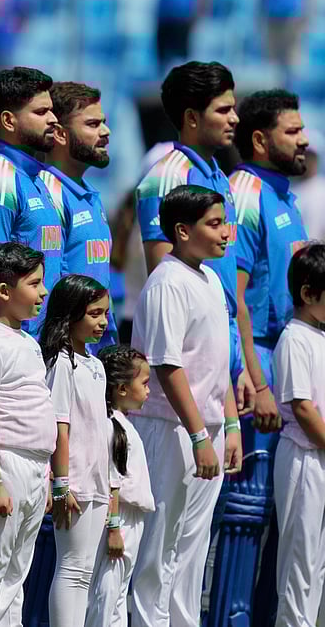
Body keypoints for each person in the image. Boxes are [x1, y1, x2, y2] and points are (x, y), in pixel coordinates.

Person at [129, 185, 243, 627]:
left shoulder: (210, 279)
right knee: (158, 548)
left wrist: (229, 426)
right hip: (170, 429)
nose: (226, 233)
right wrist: (198, 435)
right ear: (181, 231)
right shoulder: (167, 282)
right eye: (214, 224)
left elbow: (217, 363)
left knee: (192, 551)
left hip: (205, 431)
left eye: (224, 222)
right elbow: (167, 365)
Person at [226, 89, 311, 619]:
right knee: (245, 512)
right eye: (292, 131)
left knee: (283, 514)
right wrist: (255, 379)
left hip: (287, 362)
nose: (305, 140)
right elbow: (234, 298)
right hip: (258, 366)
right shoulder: (245, 193)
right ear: (260, 139)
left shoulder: (286, 198)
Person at [134, 61, 250, 414]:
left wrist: (241, 363)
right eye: (223, 110)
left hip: (224, 344)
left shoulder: (219, 177)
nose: (235, 119)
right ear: (192, 117)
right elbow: (165, 278)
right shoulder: (167, 177)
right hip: (191, 353)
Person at [0, 241, 56, 627]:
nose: (43, 292)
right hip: (6, 464)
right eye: (34, 284)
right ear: (3, 291)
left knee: (17, 576)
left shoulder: (28, 343)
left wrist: (46, 474)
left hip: (34, 468)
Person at [38, 275, 113, 627]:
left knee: (85, 570)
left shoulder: (94, 364)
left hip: (97, 481)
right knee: (71, 567)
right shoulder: (61, 362)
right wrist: (61, 483)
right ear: (70, 314)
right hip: (74, 482)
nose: (103, 322)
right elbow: (60, 425)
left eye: (106, 314)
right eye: (94, 314)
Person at [0, 67, 63, 338]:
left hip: (45, 340)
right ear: (8, 120)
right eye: (41, 112)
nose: (53, 120)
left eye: (52, 110)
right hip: (17, 340)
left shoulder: (37, 179)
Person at [271, 243, 325, 627]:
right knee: (298, 563)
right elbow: (303, 408)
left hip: (319, 455)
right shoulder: (294, 339)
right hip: (303, 457)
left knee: (316, 563)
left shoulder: (319, 336)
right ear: (307, 294)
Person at [40, 82, 118, 351]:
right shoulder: (48, 192)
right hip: (65, 352)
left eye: (103, 122)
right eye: (93, 124)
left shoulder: (90, 194)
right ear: (60, 134)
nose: (105, 132)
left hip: (95, 348)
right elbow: (47, 284)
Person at [85, 345, 155, 627]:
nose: (148, 390)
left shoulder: (123, 424)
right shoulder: (112, 426)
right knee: (108, 588)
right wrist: (114, 528)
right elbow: (111, 479)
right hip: (120, 517)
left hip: (131, 518)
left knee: (118, 591)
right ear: (123, 389)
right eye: (144, 383)